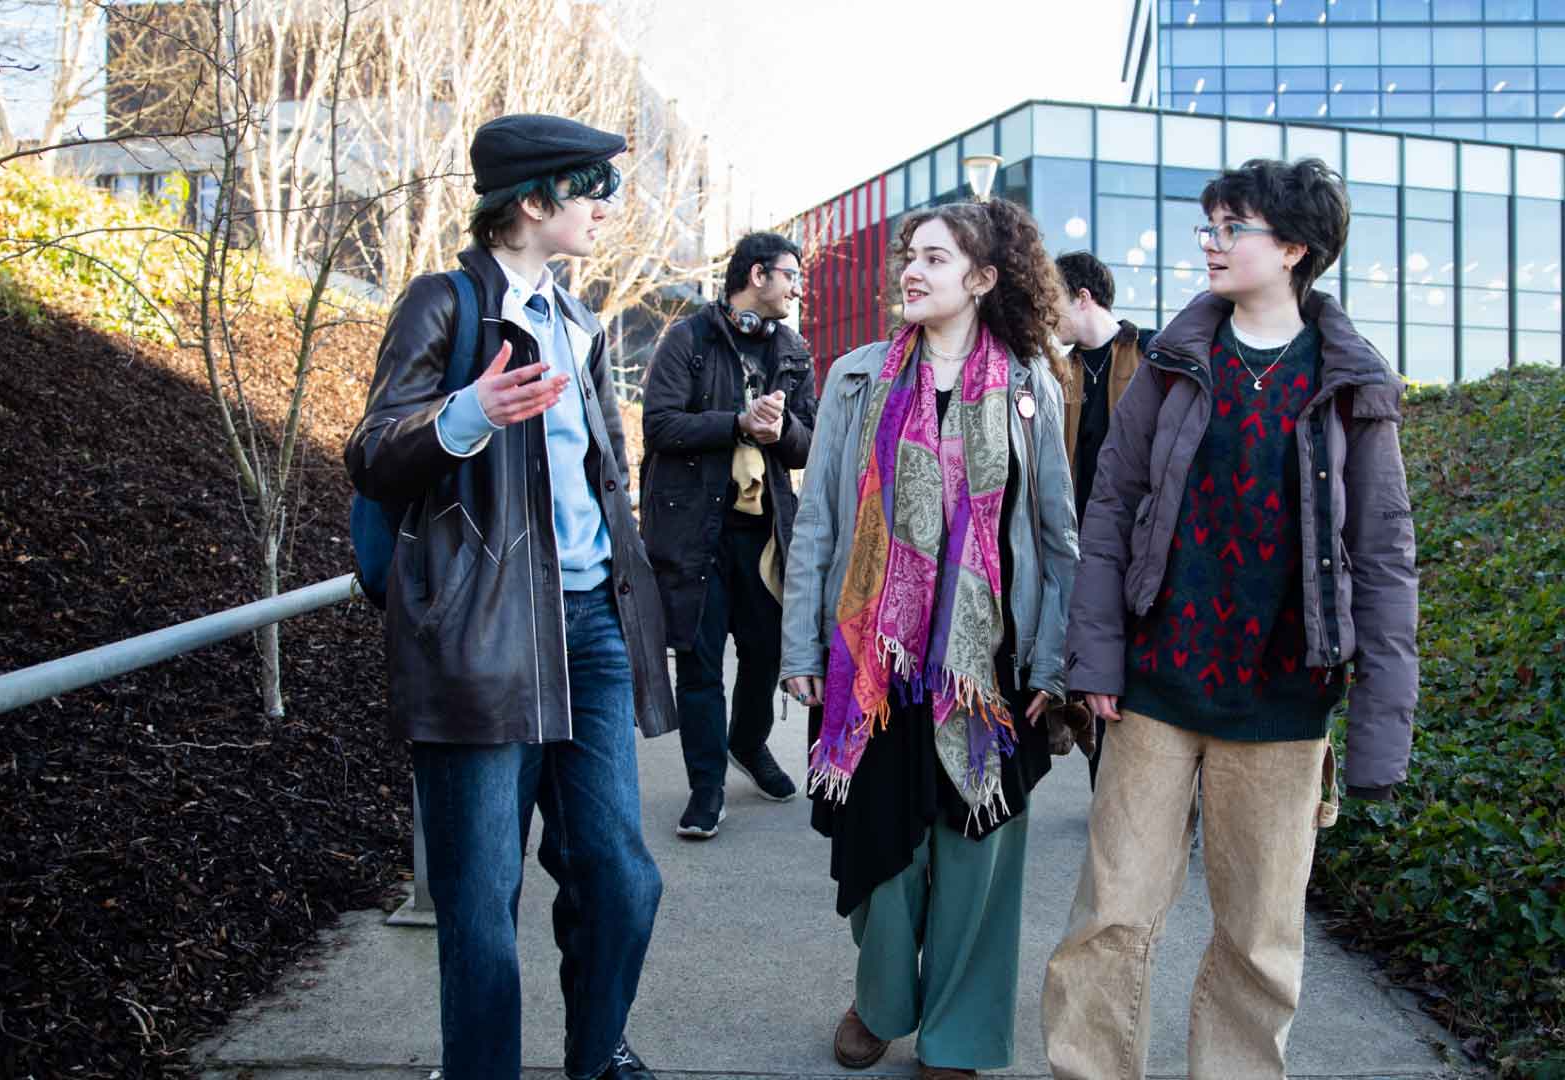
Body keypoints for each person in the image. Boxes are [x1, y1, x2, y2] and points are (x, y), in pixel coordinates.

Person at [1042, 158, 1420, 1080]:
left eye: (1231, 227)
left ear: (1293, 248)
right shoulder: (1173, 364)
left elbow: (1384, 559)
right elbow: (1110, 509)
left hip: (1286, 704)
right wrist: (1093, 663)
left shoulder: (1351, 383)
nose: (1209, 242)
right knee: (1110, 920)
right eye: (1208, 225)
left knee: (1259, 940)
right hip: (1155, 695)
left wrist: (1378, 732)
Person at [345, 114, 675, 1080]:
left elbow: (602, 480)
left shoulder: (579, 322)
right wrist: (466, 415)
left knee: (620, 878)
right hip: (483, 637)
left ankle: (594, 1052)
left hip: (592, 629)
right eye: (593, 191)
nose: (610, 209)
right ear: (533, 203)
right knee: (483, 899)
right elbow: (371, 452)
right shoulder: (443, 306)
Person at [778, 198, 1077, 1080]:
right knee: (883, 858)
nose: (912, 269)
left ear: (983, 279)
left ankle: (959, 1034)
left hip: (988, 673)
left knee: (977, 858)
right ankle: (881, 1002)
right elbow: (820, 523)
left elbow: (1059, 542)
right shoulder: (856, 378)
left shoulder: (1031, 385)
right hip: (872, 668)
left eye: (936, 259)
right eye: (910, 255)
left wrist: (1052, 667)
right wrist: (801, 650)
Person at [641, 232, 816, 839]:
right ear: (757, 275)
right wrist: (736, 423)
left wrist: (780, 431)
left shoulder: (792, 350)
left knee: (769, 654)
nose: (798, 287)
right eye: (791, 275)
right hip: (694, 531)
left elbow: (811, 440)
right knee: (700, 661)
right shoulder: (688, 339)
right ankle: (706, 787)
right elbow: (659, 426)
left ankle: (748, 740)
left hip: (764, 533)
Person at [1050, 250, 1152, 785]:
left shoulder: (1151, 353)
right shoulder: (1055, 373)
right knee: (1089, 665)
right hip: (1078, 541)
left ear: (1083, 297)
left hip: (1138, 541)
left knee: (1133, 664)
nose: (1048, 315)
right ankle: (1104, 785)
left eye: (1054, 301)